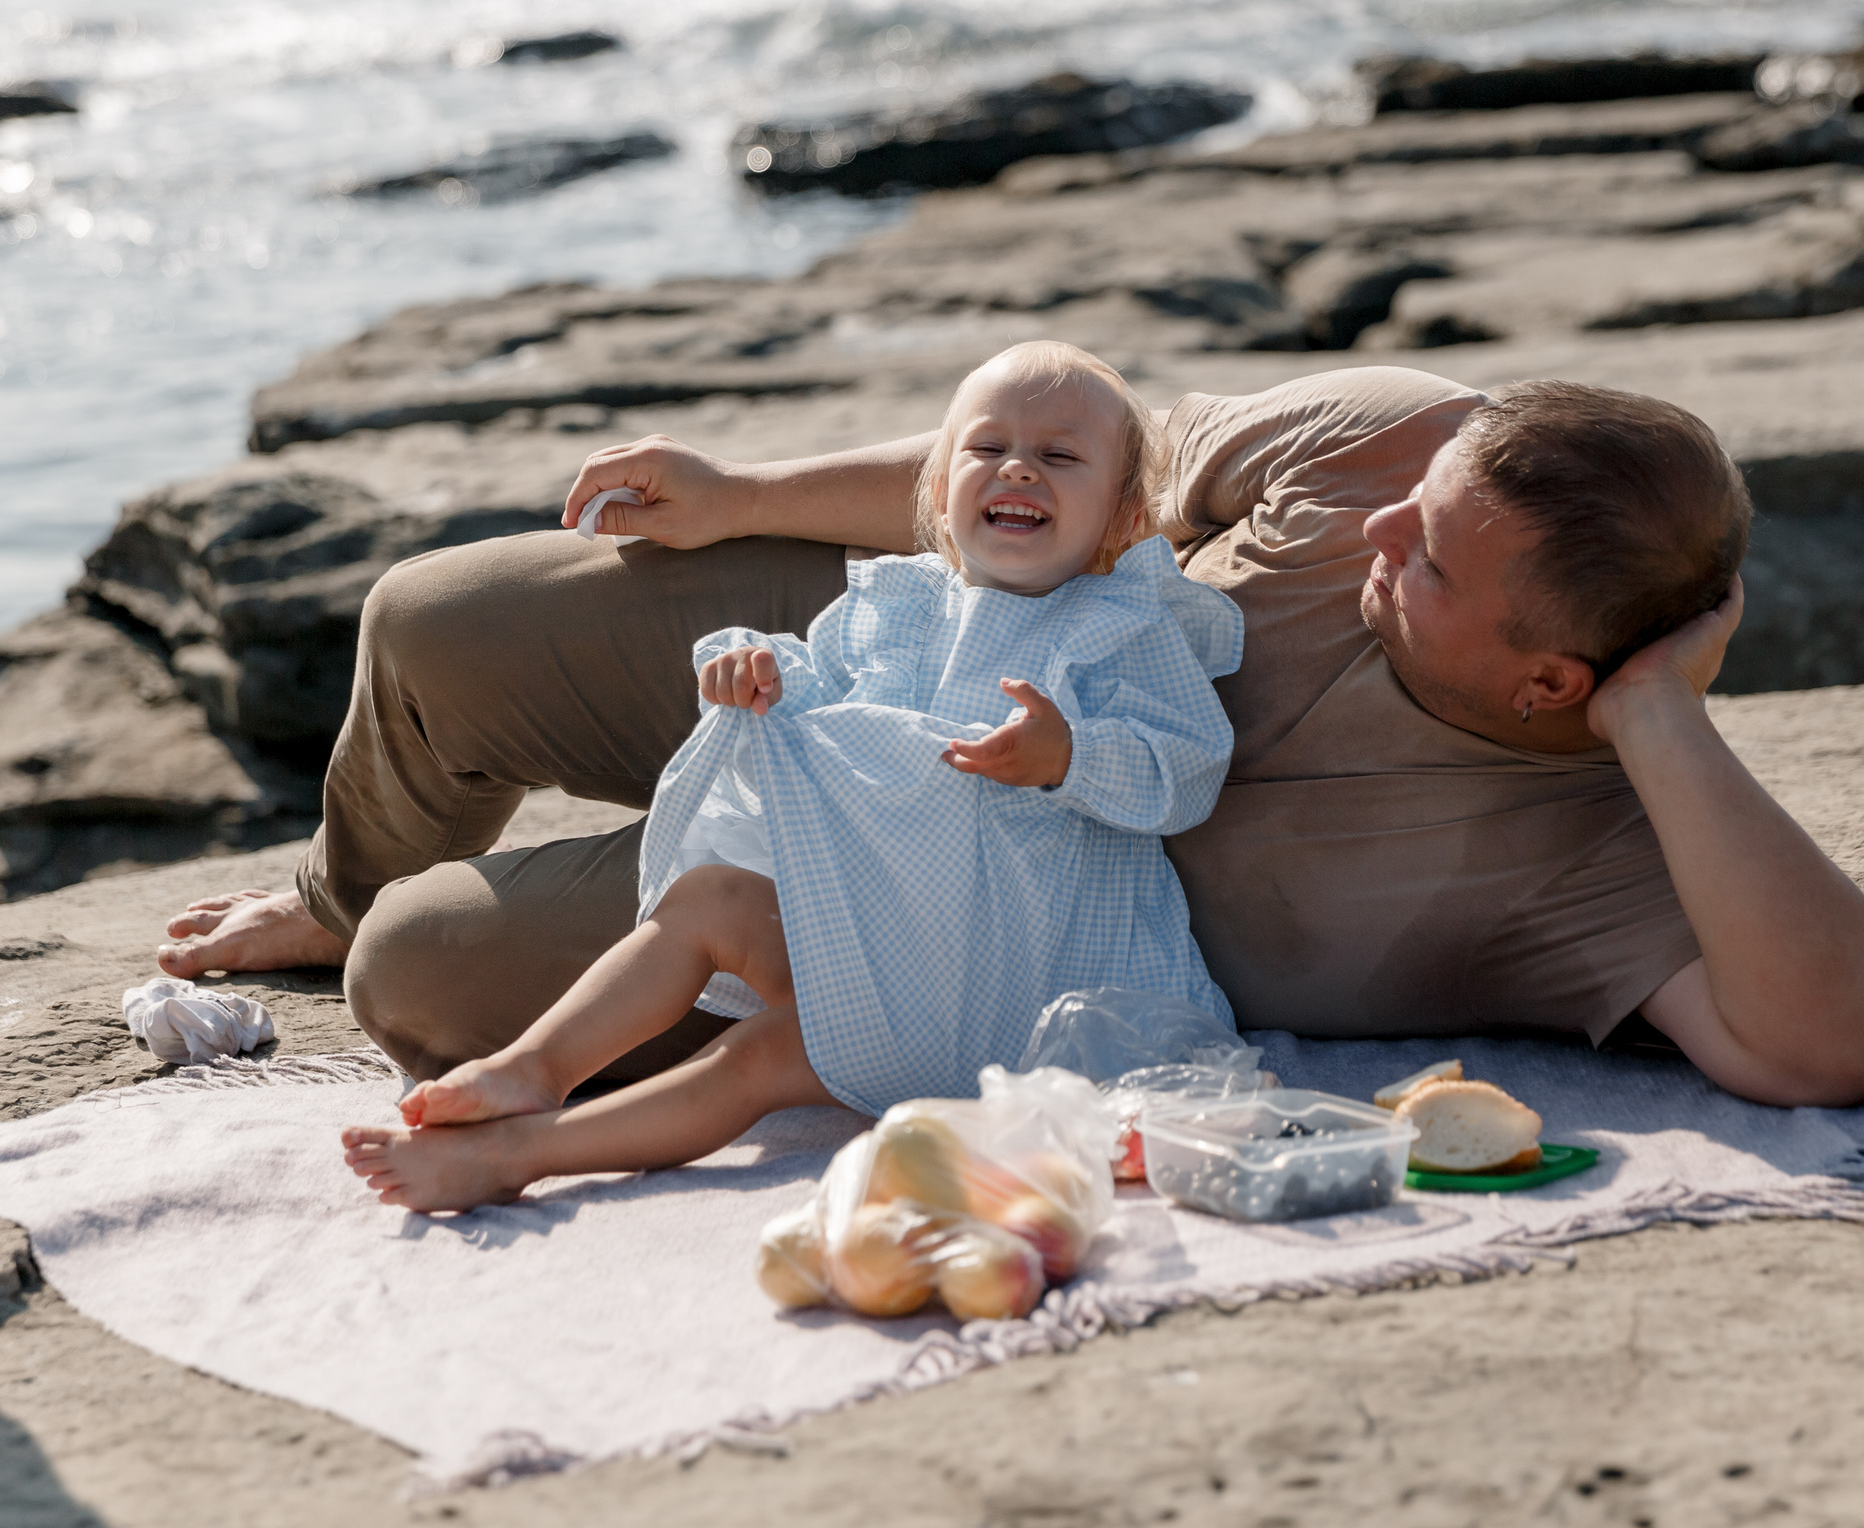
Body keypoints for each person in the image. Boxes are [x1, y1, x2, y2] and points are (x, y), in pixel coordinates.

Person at [158, 365, 1864, 1112]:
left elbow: (1835, 1045)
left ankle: (372, 918)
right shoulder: (1396, 444)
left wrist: (1666, 724)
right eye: (1416, 502)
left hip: (927, 894)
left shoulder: (1602, 853)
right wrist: (749, 492)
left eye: (1432, 560)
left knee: (425, 971)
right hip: (921, 628)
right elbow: (1107, 449)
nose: (1387, 528)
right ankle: (334, 869)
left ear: (1561, 684)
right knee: (438, 620)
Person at [338, 343, 1241, 1212]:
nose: (1017, 471)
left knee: (761, 1057)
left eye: (1059, 456)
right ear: (935, 491)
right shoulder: (902, 601)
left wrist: (1068, 756)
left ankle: (518, 1156)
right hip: (879, 927)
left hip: (1006, 988)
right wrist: (766, 676)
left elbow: (1188, 765)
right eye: (987, 449)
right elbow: (830, 693)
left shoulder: (1124, 624)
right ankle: (533, 1069)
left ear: (1125, 520)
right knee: (708, 899)